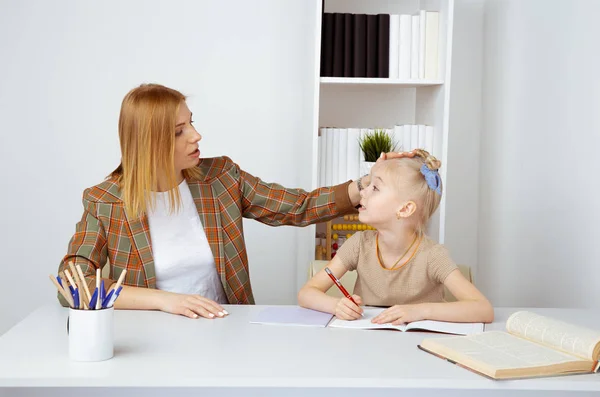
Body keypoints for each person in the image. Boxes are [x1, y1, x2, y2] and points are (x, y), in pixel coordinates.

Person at [58, 83, 405, 319]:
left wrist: (364, 185)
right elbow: (72, 284)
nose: (196, 135)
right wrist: (167, 302)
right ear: (150, 142)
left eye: (191, 123)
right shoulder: (105, 201)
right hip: (147, 344)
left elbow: (296, 206)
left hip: (225, 331)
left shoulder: (221, 177)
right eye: (179, 131)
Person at [298, 149, 494, 325]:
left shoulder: (433, 255)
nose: (362, 193)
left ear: (405, 208)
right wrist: (336, 305)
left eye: (375, 188)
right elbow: (306, 293)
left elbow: (483, 309)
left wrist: (420, 310)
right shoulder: (359, 244)